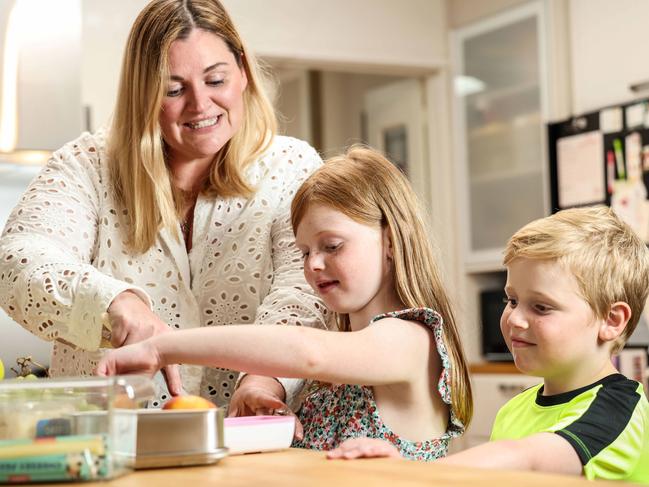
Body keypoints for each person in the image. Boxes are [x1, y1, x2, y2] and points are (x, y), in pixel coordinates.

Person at [0, 0, 327, 418]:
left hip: (256, 439)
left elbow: (303, 291)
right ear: (144, 95)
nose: (200, 105)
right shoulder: (86, 166)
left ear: (242, 72)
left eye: (216, 80)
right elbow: (18, 260)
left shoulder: (292, 167)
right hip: (110, 445)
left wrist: (266, 377)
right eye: (174, 90)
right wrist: (114, 304)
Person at [97, 146, 473, 460]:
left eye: (332, 246)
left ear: (390, 241)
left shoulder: (412, 339)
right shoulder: (336, 371)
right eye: (305, 250)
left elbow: (308, 352)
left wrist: (161, 347)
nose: (313, 264)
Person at [328, 206, 649, 483]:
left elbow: (529, 458)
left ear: (612, 321)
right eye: (512, 300)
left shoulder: (620, 410)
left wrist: (415, 475)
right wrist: (406, 467)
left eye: (541, 307)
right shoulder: (516, 408)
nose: (515, 319)